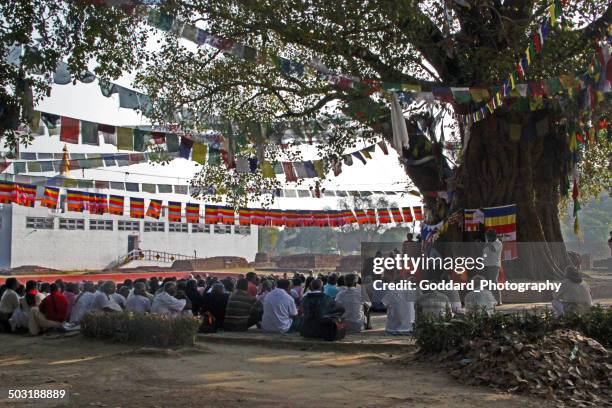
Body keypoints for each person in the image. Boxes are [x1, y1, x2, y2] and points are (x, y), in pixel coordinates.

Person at [483, 229, 503, 304]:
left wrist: (488, 244)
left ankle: (498, 300)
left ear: (492, 236)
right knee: (487, 283)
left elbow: (493, 250)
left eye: (488, 236)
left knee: (493, 282)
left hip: (494, 265)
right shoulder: (488, 243)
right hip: (486, 265)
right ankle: (490, 300)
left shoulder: (498, 243)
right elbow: (484, 254)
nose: (487, 238)